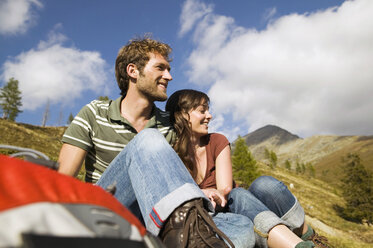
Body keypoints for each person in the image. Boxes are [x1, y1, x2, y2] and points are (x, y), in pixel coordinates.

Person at [58, 37, 253, 248]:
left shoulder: (169, 125)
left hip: (151, 216)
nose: (169, 76)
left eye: (168, 69)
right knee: (148, 139)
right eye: (160, 68)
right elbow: (62, 178)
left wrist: (199, 192)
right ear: (132, 71)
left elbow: (174, 180)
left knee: (241, 225)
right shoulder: (95, 113)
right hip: (104, 211)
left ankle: (178, 240)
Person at [165, 89, 333, 248]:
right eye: (202, 111)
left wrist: (210, 192)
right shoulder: (170, 153)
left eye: (208, 110)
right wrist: (203, 194)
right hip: (214, 217)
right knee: (239, 194)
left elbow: (225, 189)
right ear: (182, 114)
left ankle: (309, 236)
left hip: (235, 203)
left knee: (262, 185)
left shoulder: (217, 141)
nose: (209, 116)